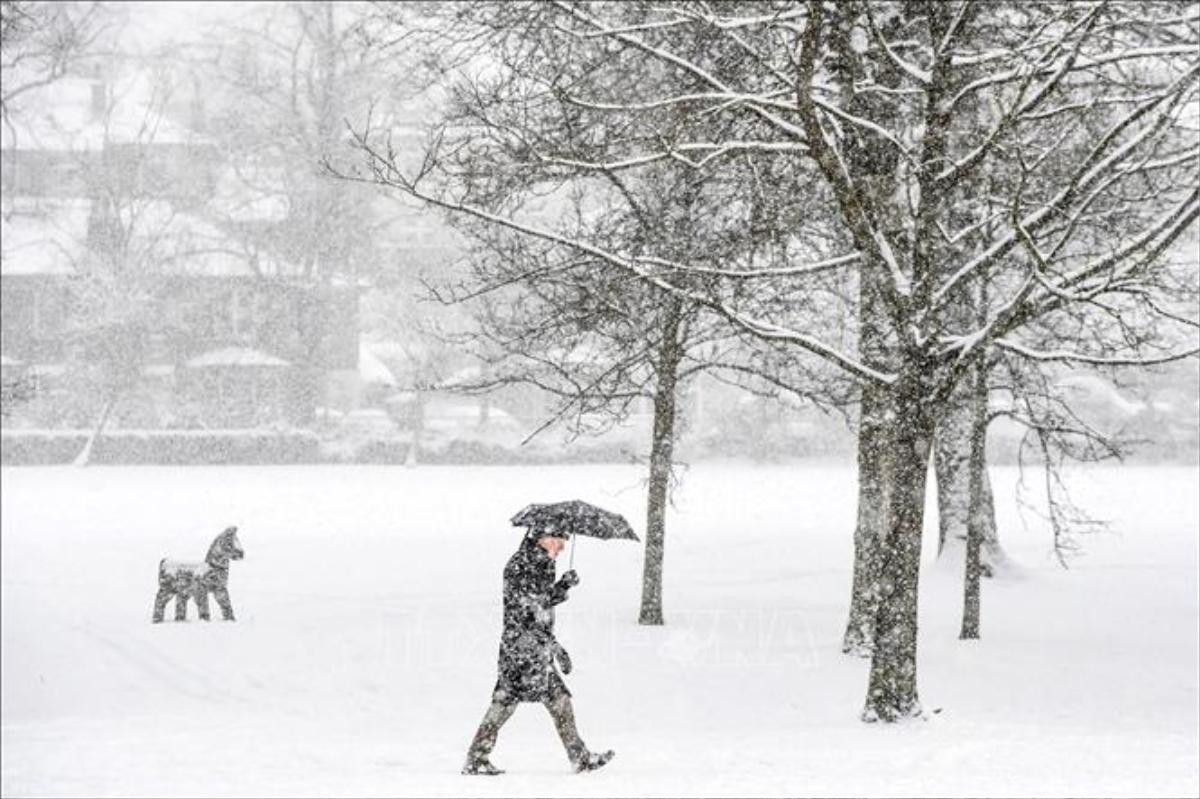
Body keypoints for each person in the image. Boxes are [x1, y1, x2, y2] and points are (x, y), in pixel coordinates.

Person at [463, 522, 614, 775]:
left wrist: (562, 587)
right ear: (543, 537)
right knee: (513, 701)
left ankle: (579, 757)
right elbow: (530, 609)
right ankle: (477, 758)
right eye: (559, 540)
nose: (563, 546)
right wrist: (555, 643)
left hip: (531, 647)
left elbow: (541, 605)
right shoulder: (520, 566)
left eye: (565, 541)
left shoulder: (540, 563)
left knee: (540, 699)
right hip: (522, 649)